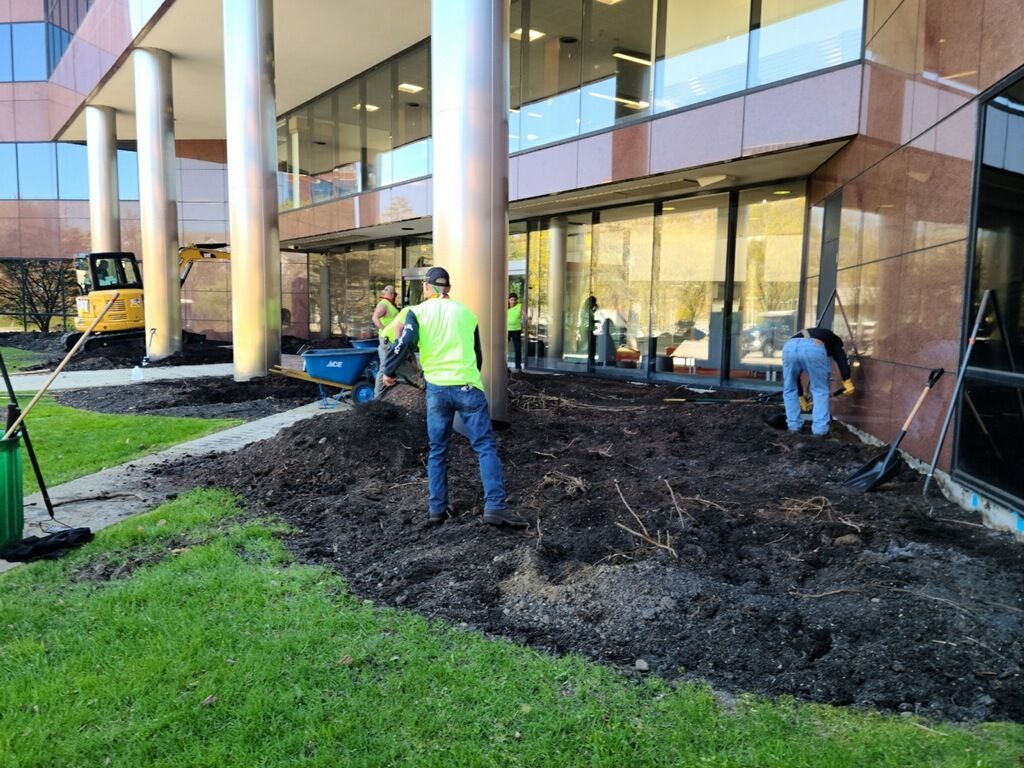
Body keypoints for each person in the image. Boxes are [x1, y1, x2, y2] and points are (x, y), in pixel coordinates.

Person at [382, 266, 527, 528]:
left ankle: (437, 509)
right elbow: (478, 355)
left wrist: (388, 371)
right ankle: (495, 507)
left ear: (427, 287)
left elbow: (404, 343)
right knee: (484, 446)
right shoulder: (466, 313)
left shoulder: (418, 312)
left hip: (437, 390)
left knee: (438, 450)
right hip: (468, 387)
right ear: (448, 288)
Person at [782, 327, 855, 436]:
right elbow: (841, 358)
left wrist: (800, 395)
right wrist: (847, 380)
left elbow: (795, 377)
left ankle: (793, 427)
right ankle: (820, 431)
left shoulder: (819, 334)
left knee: (790, 388)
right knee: (820, 390)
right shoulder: (836, 340)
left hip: (788, 346)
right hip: (813, 346)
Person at [371, 285, 400, 399]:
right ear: (393, 294)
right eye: (395, 295)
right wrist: (385, 331)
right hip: (387, 341)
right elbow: (375, 318)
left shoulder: (389, 304)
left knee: (390, 366)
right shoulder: (384, 304)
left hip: (392, 341)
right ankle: (377, 398)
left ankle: (388, 395)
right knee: (384, 368)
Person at [507, 292, 523, 372]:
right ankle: (504, 365)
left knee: (517, 349)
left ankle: (518, 366)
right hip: (506, 330)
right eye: (511, 300)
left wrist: (525, 319)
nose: (513, 301)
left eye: (514, 300)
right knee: (503, 349)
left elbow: (525, 315)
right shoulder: (505, 307)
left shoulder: (519, 306)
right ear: (508, 300)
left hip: (516, 330)